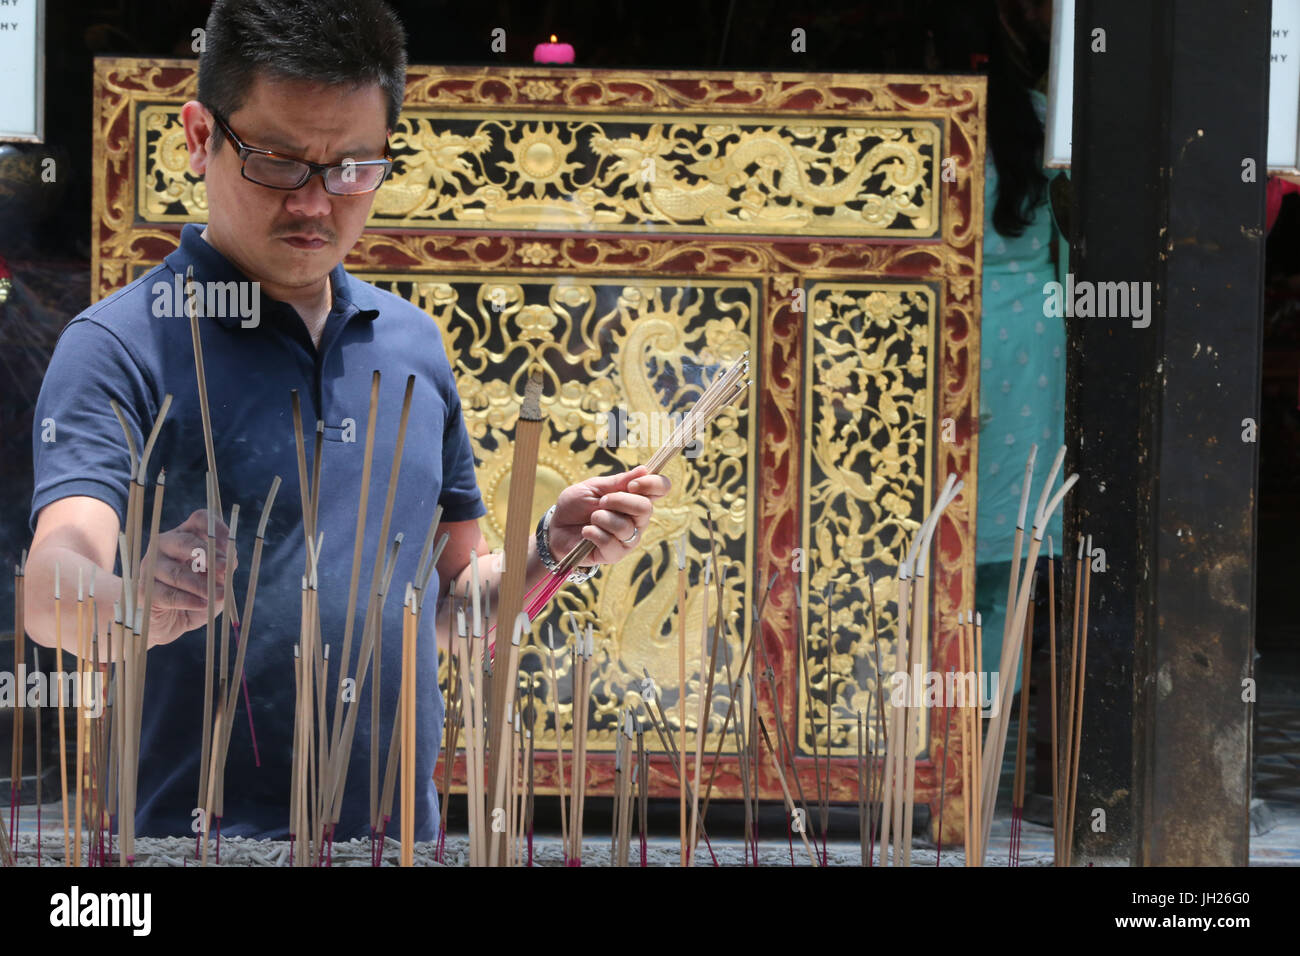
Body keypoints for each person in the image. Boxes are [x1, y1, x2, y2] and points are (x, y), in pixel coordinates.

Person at [23, 0, 668, 841]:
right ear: (197, 138)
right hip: (187, 845)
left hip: (397, 839)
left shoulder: (409, 344)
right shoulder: (124, 344)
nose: (317, 205)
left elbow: (448, 609)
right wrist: (132, 604)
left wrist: (554, 549)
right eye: (280, 163)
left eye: (353, 168)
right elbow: (51, 587)